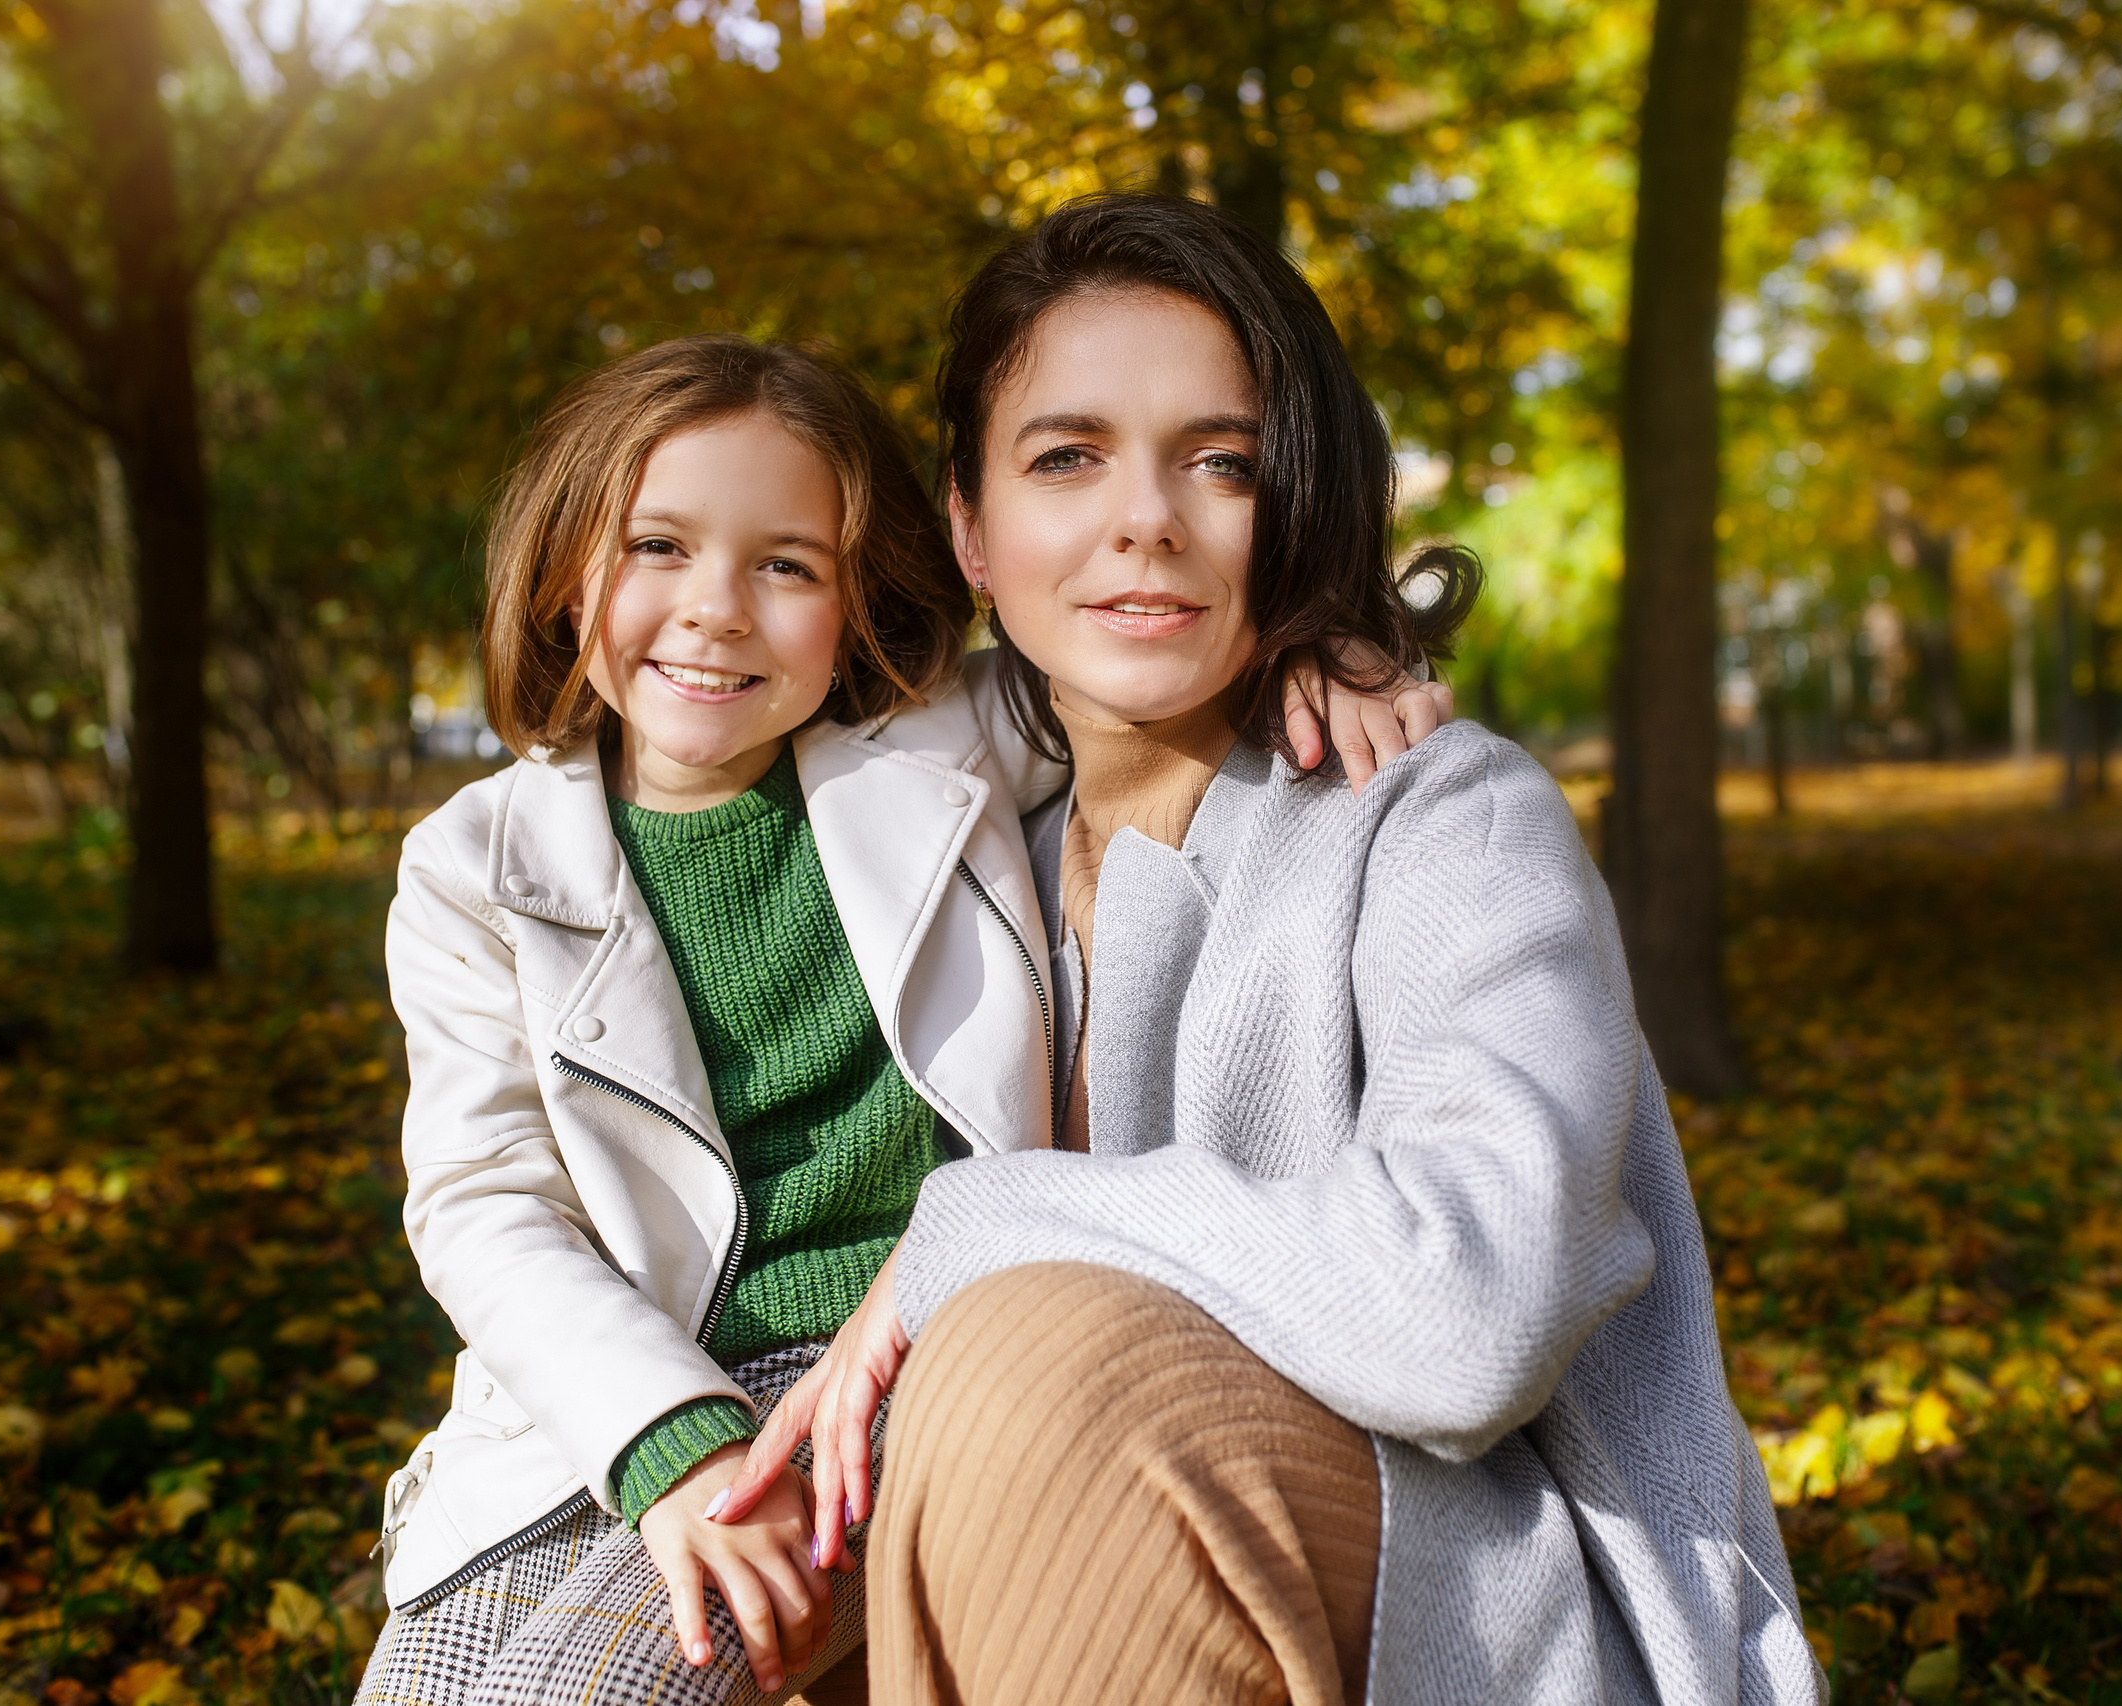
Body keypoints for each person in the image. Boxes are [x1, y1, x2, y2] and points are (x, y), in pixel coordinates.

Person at [714, 197, 1823, 1706]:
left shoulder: (1445, 819)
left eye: (1222, 461)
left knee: (1036, 1358)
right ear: (969, 527)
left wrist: (989, 1220)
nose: (1147, 517)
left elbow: (1464, 1314)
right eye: (1067, 455)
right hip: (1012, 1552)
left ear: (1293, 502)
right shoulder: (952, 855)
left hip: (1472, 1610)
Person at [358, 334, 1447, 1706]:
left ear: (860, 597)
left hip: (887, 1372)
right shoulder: (474, 869)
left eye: (787, 565)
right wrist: (673, 1447)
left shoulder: (947, 738)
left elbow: (1154, 654)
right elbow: (482, 1204)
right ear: (568, 564)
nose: (716, 609)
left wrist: (1325, 647)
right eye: (658, 547)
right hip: (612, 1399)